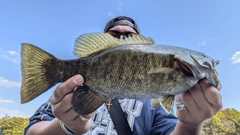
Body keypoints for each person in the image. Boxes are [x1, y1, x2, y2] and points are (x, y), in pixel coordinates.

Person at [24, 16, 222, 135]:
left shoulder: (153, 104)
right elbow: (33, 131)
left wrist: (191, 122)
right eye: (113, 35)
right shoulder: (69, 93)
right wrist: (66, 127)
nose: (122, 37)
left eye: (130, 36)